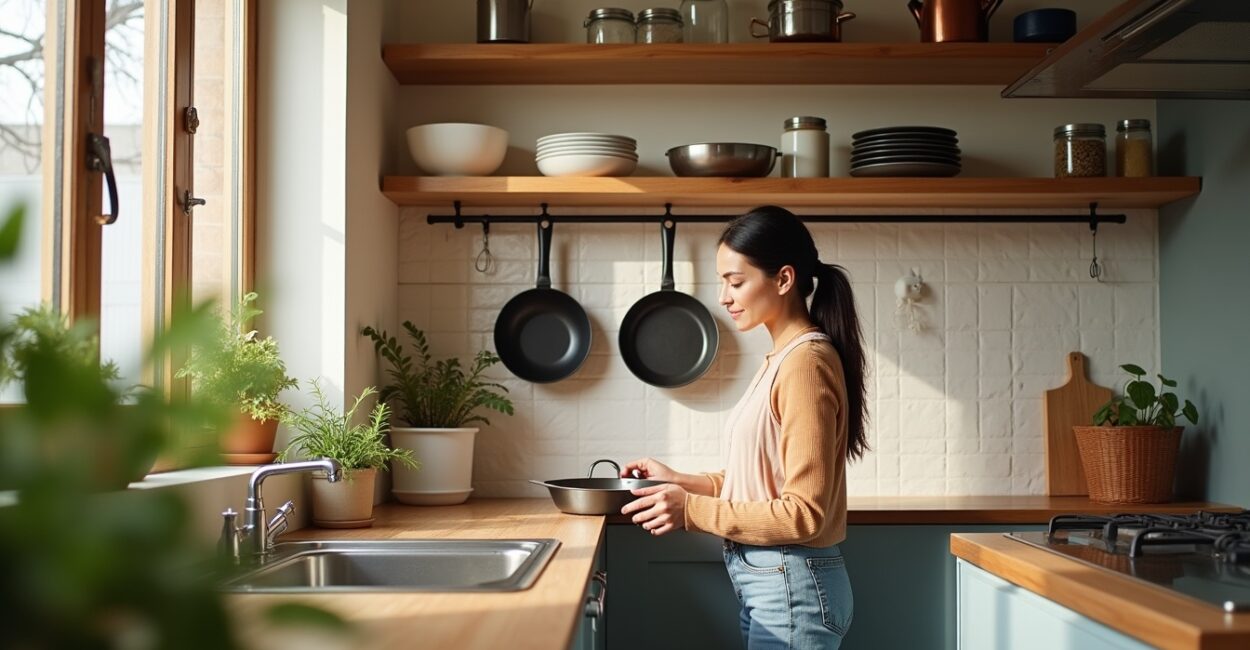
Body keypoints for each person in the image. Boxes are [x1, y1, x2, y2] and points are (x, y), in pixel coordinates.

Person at [620, 205, 869, 650]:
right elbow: (762, 480)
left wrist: (690, 510)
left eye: (735, 282)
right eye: (723, 283)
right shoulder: (782, 359)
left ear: (784, 279)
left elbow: (803, 514)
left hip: (792, 588)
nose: (724, 296)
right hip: (775, 586)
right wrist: (681, 481)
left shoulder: (805, 364)